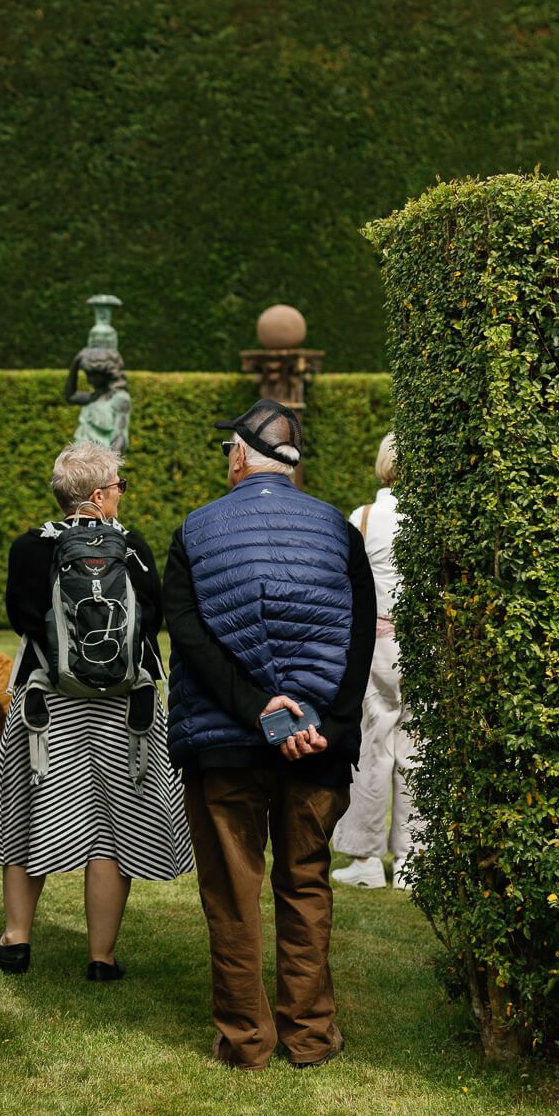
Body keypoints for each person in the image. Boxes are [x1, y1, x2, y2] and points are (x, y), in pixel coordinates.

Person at [163, 399, 375, 1071]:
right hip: (316, 747)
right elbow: (360, 637)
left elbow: (187, 634)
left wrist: (258, 709)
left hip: (222, 743)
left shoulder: (194, 530)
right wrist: (326, 726)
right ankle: (310, 1035)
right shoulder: (339, 530)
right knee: (306, 883)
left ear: (237, 456)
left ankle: (245, 1041)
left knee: (232, 892)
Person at [0, 442, 192, 979]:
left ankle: (15, 941)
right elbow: (152, 619)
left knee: (26, 813)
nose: (121, 494)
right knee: (114, 827)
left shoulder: (29, 548)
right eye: (119, 486)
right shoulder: (132, 547)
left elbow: (22, 617)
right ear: (98, 494)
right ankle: (101, 958)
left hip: (46, 703)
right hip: (126, 707)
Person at [332, 433, 421, 890]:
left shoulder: (363, 518)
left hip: (374, 646)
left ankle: (365, 858)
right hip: (422, 645)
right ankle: (412, 860)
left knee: (372, 746)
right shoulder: (429, 519)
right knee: (417, 748)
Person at [63, 347, 132, 452]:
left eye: (93, 375)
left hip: (99, 457)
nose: (89, 380)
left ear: (107, 373)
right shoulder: (94, 397)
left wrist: (109, 460)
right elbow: (70, 396)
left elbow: (121, 437)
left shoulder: (120, 398)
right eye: (87, 375)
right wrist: (75, 364)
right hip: (80, 456)